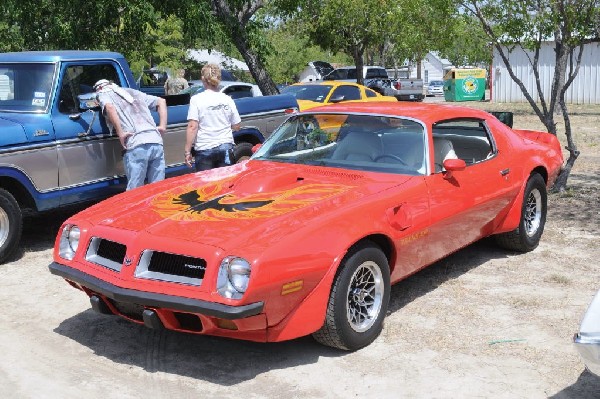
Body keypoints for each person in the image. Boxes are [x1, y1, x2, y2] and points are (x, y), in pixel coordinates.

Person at [94, 79, 168, 190]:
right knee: (157, 189)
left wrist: (120, 133)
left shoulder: (103, 94)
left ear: (99, 88)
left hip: (136, 144)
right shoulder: (132, 92)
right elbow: (161, 101)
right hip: (156, 141)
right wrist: (163, 126)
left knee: (135, 191)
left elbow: (109, 107)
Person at [184, 64, 241, 171]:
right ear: (218, 79)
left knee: (206, 185)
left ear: (203, 79)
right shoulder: (227, 99)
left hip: (204, 148)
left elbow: (192, 126)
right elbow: (237, 126)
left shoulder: (197, 99)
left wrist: (187, 151)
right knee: (225, 183)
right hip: (225, 148)